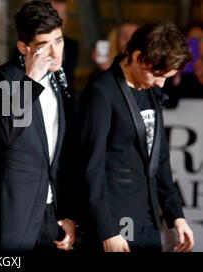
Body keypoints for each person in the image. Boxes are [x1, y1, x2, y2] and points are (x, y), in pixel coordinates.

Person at [78, 21, 195, 252]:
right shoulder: (102, 92)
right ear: (137, 56)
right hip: (116, 219)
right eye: (158, 74)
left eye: (166, 77)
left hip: (149, 218)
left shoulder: (152, 88)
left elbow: (159, 158)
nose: (161, 83)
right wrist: (106, 229)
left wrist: (176, 216)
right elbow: (90, 167)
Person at [0, 0, 76, 251]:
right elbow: (6, 134)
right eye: (45, 45)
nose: (56, 53)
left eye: (59, 40)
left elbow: (62, 152)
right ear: (24, 47)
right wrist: (31, 80)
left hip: (51, 212)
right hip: (16, 211)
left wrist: (66, 213)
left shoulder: (59, 81)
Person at [41, 0, 78, 98]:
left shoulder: (72, 46)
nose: (61, 18)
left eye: (64, 12)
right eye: (56, 12)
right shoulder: (28, 48)